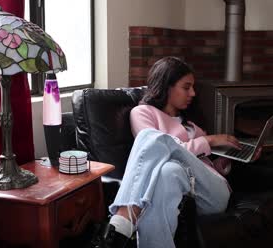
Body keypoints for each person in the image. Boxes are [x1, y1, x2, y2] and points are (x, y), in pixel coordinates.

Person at [91, 56, 261, 248]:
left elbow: (204, 166)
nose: (193, 93)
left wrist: (229, 159)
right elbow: (157, 151)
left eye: (193, 87)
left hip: (213, 194)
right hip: (183, 187)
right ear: (166, 86)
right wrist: (207, 141)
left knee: (155, 140)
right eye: (186, 87)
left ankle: (121, 223)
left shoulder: (192, 127)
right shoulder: (143, 113)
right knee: (168, 170)